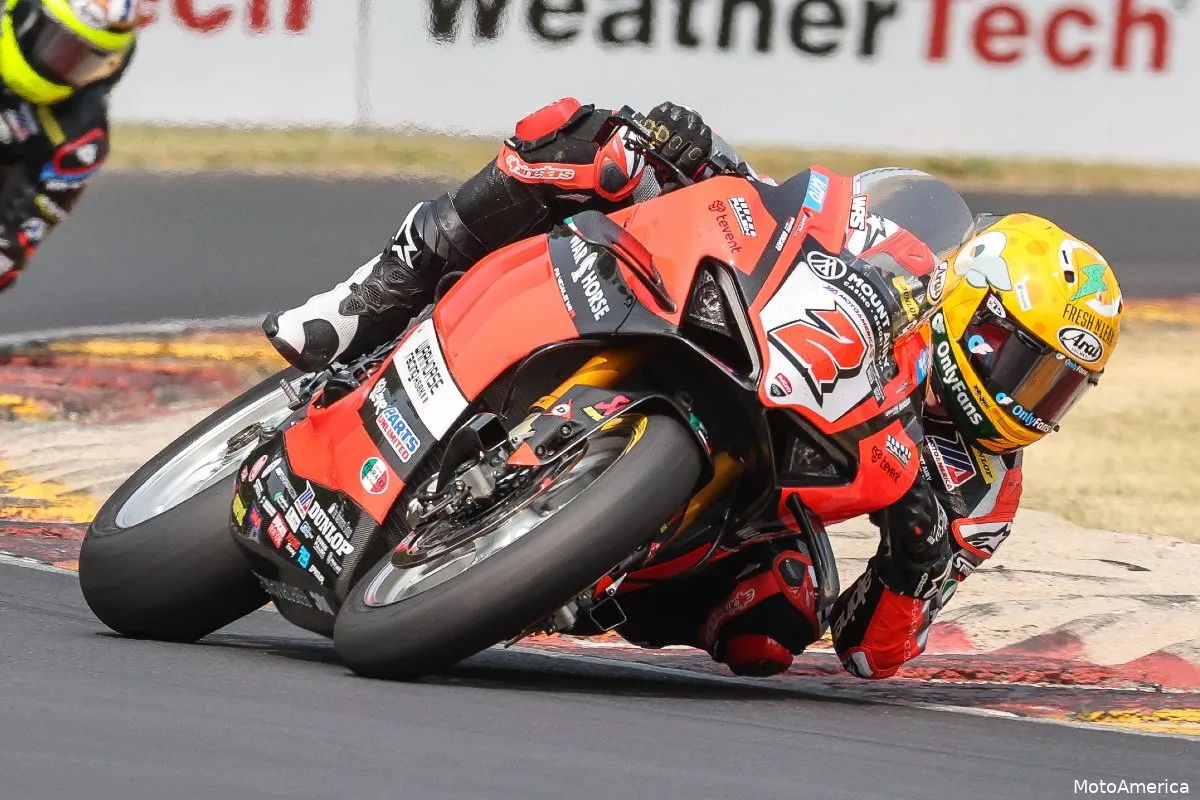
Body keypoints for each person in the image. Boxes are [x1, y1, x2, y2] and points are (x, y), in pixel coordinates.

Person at [266, 99, 1123, 679]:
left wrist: (918, 562)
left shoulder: (986, 490)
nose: (1029, 397)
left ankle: (567, 570)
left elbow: (871, 653)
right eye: (1021, 361)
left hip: (754, 495)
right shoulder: (906, 266)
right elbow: (795, 215)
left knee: (777, 622)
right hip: (732, 335)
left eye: (1057, 387)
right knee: (588, 141)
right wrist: (702, 153)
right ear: (970, 309)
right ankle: (367, 302)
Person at [0, 0, 137, 294]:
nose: (63, 63)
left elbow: (12, 248)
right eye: (55, 43)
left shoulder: (77, 142)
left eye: (83, 58)